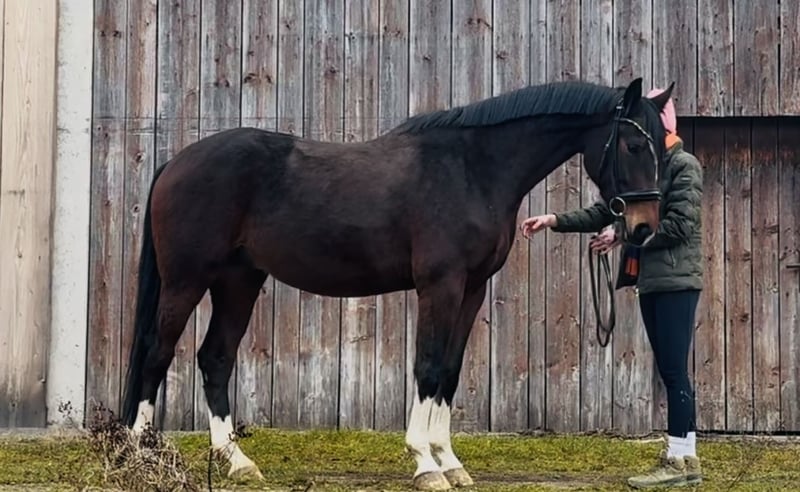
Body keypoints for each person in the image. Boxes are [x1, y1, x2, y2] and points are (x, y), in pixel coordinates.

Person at [520, 88, 704, 489]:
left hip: (676, 281)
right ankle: (684, 457)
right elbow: (610, 209)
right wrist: (555, 220)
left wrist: (621, 234)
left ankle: (680, 460)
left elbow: (680, 225)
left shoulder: (683, 166)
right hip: (654, 281)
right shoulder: (651, 169)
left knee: (674, 371)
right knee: (670, 371)